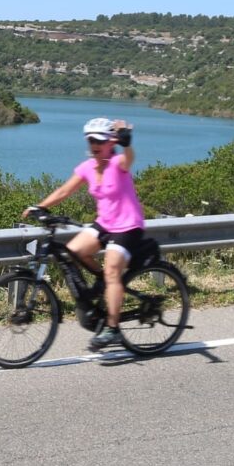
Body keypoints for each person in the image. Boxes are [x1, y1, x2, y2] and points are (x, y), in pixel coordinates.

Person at [22, 116, 146, 350]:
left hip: (128, 227)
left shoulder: (118, 163)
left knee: (111, 270)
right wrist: (41, 207)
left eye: (99, 140)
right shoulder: (87, 167)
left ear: (111, 142)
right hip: (105, 224)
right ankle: (106, 284)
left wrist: (127, 143)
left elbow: (130, 158)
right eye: (90, 140)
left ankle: (113, 329)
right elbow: (64, 190)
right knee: (73, 250)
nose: (94, 145)